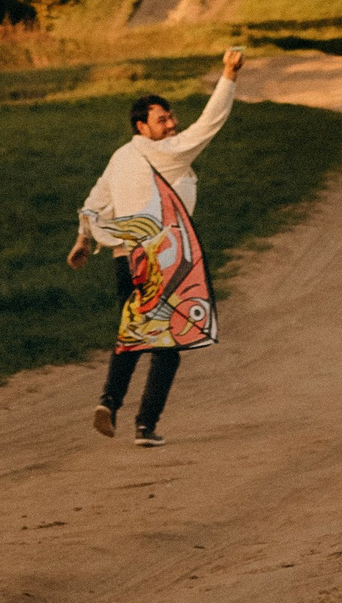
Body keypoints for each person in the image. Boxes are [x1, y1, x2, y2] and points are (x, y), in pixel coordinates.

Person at [65, 49, 245, 446]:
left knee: (134, 332)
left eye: (171, 117)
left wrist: (83, 240)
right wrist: (228, 76)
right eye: (162, 120)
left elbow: (95, 202)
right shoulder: (165, 154)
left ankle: (108, 403)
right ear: (141, 126)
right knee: (168, 345)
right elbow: (209, 124)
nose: (172, 125)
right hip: (160, 261)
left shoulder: (121, 157)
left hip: (124, 262)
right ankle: (145, 426)